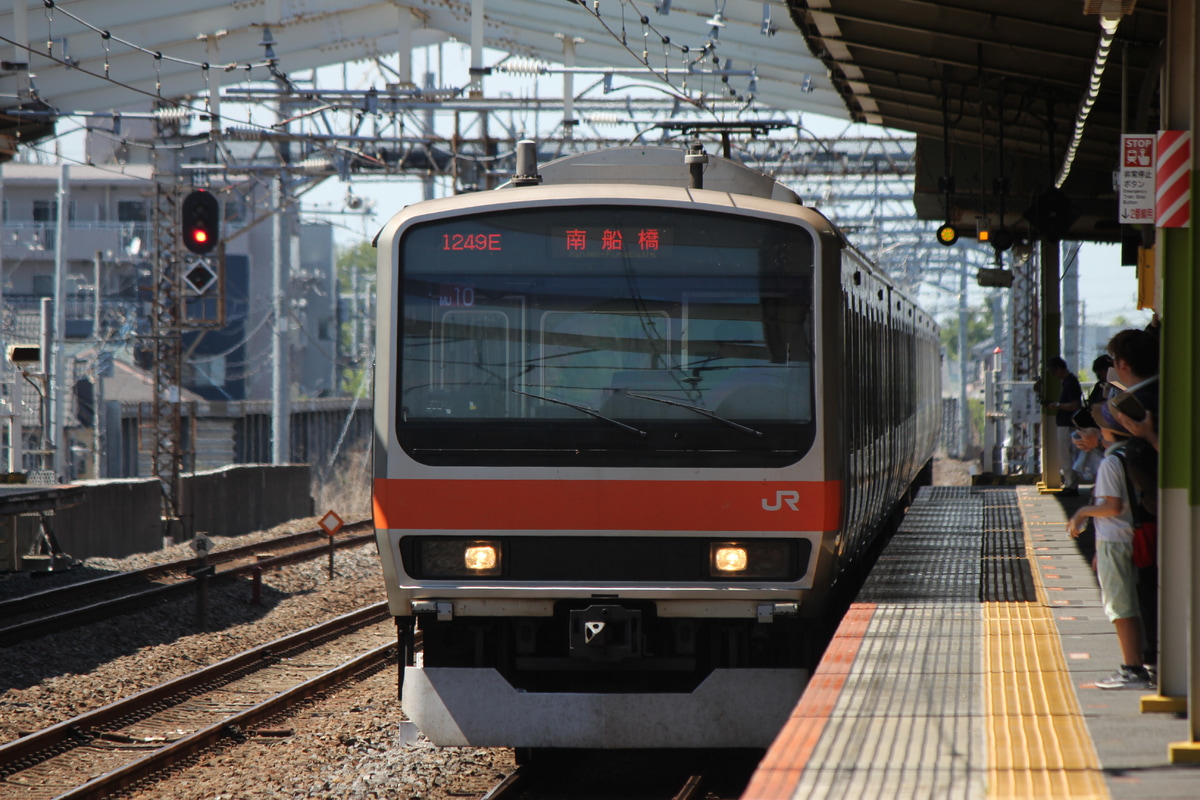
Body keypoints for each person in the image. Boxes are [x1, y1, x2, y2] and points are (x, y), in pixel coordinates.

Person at [1067, 405, 1152, 689]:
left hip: (1115, 540)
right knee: (1130, 604)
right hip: (1127, 537)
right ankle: (1138, 663)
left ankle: (1132, 669)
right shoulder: (1127, 454)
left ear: (1107, 432)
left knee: (1121, 607)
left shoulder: (1109, 464)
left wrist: (1083, 513)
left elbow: (1112, 506)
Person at [1046, 356, 1084, 494]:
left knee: (1065, 455)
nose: (1054, 375)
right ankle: (1070, 483)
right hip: (1066, 423)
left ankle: (1071, 485)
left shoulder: (1071, 382)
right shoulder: (1069, 381)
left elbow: (1075, 405)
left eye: (1053, 372)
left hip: (1067, 424)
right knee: (1067, 455)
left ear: (1060, 369)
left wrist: (1058, 405)